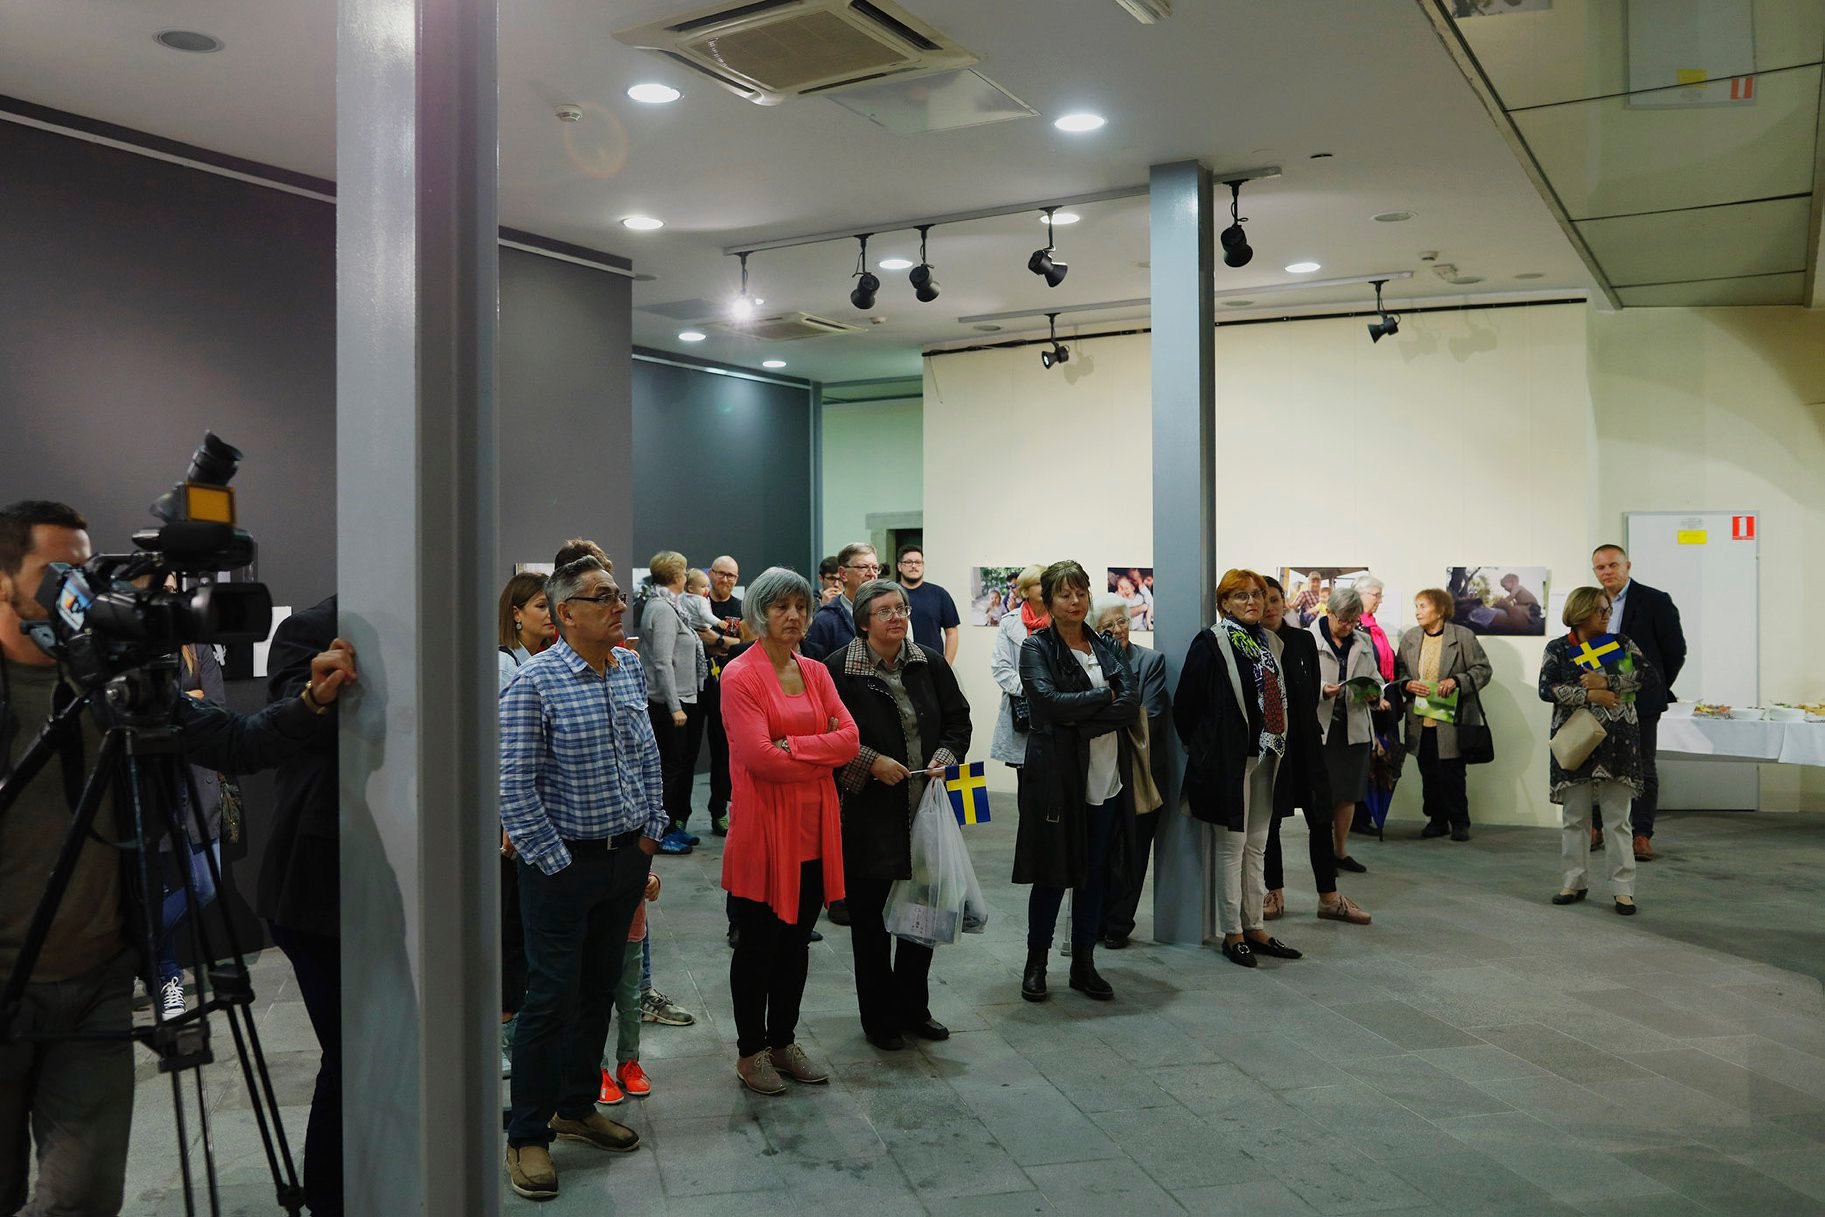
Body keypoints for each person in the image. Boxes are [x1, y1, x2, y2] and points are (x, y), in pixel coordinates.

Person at [1, 500, 357, 1217]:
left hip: (98, 983)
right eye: (54, 573)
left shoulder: (117, 682)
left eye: (84, 572)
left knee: (83, 1197)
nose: (74, 592)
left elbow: (236, 742)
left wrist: (312, 702)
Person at [499, 555, 667, 1201]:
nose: (619, 605)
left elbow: (647, 756)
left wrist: (650, 833)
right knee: (550, 998)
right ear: (566, 612)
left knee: (598, 988)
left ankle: (575, 1106)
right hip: (562, 867)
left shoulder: (626, 668)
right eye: (603, 597)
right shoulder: (533, 684)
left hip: (625, 858)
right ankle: (527, 1134)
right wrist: (556, 862)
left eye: (618, 594)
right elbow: (513, 786)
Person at [719, 567, 858, 1094]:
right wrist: (818, 753)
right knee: (758, 946)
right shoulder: (740, 675)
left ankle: (782, 1041)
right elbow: (759, 758)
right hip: (763, 829)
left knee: (796, 944)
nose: (794, 616)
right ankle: (750, 1050)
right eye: (781, 607)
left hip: (814, 828)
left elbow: (850, 740)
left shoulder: (816, 671)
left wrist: (793, 747)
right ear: (760, 613)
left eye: (801, 606)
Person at [826, 578, 971, 1050]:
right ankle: (878, 1018)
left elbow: (958, 719)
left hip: (924, 811)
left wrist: (946, 756)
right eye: (885, 610)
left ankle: (914, 1008)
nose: (897, 617)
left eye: (902, 609)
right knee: (870, 925)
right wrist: (870, 762)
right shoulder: (837, 670)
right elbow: (825, 735)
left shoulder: (928, 661)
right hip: (868, 815)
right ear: (864, 621)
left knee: (921, 917)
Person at [1014, 560, 1138, 1003]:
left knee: (1095, 873)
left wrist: (1082, 719)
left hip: (1105, 773)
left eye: (1081, 593)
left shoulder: (1104, 644)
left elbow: (1131, 701)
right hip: (1058, 775)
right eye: (1064, 595)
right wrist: (1104, 697)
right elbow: (1047, 703)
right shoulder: (1036, 647)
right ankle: (1036, 963)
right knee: (1052, 874)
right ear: (1048, 602)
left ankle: (1083, 963)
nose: (1075, 602)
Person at [1175, 569, 1304, 968]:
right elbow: (1186, 705)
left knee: (1257, 845)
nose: (1252, 602)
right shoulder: (1212, 642)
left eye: (1257, 595)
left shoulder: (1271, 642)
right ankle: (1233, 933)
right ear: (1224, 603)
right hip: (1229, 761)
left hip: (1268, 755)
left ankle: (1255, 927)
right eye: (1241, 595)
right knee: (1232, 847)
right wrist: (1205, 748)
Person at [1260, 578, 1371, 926]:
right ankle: (1273, 892)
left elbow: (1308, 694)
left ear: (1284, 601)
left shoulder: (1301, 640)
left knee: (1320, 818)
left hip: (1307, 742)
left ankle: (1329, 897)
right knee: (1270, 822)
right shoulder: (1251, 643)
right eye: (1263, 600)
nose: (1270, 606)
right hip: (1270, 747)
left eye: (1275, 599)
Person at [1541, 586, 1648, 915]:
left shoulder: (1619, 644)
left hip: (1618, 742)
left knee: (1618, 820)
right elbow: (1547, 688)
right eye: (1600, 610)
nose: (1606, 615)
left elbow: (1646, 677)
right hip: (1576, 740)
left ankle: (1623, 889)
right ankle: (1573, 881)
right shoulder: (1559, 648)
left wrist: (1607, 684)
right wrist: (1587, 695)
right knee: (1575, 818)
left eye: (1608, 609)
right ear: (1581, 612)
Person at [496, 572, 557, 1077]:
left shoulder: (536, 661)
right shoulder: (505, 664)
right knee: (508, 926)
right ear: (516, 614)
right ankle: (501, 1029)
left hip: (528, 816)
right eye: (540, 606)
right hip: (508, 820)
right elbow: (503, 749)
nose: (550, 614)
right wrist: (508, 818)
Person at [1591, 544, 1685, 861]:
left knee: (1642, 767)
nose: (1607, 572)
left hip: (1642, 698)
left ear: (1627, 566)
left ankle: (1641, 834)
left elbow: (1675, 651)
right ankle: (1595, 827)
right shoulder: (1591, 602)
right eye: (1600, 567)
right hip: (1600, 697)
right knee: (1597, 764)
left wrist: (1654, 685)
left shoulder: (1655, 601)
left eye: (1613, 565)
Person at [151, 640, 227, 1020]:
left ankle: (136, 944)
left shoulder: (199, 649)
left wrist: (171, 703)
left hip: (199, 783)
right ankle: (169, 979)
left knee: (206, 886)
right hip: (155, 788)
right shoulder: (140, 648)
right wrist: (189, 698)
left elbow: (217, 708)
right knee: (164, 888)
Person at [1088, 593, 1169, 949]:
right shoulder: (1090, 665)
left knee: (1134, 851)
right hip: (1099, 769)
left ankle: (1119, 923)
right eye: (1108, 626)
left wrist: (1099, 714)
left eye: (1122, 621)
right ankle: (1096, 920)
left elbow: (1149, 715)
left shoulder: (1150, 661)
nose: (1118, 629)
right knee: (1101, 849)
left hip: (1138, 771)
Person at [1399, 588, 1493, 842]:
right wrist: (1407, 684)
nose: (1417, 612)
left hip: (1452, 719)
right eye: (1416, 606)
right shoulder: (1410, 638)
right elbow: (1400, 671)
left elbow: (1483, 669)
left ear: (1440, 610)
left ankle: (1459, 822)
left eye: (1423, 606)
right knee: (1428, 773)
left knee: (1452, 774)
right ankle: (1436, 821)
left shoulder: (1462, 636)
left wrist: (1457, 681)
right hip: (1421, 720)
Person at [1312, 586, 1384, 876]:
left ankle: (1340, 851)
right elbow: (1295, 681)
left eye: (1354, 621)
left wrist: (1375, 694)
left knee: (1348, 794)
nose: (1348, 626)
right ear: (1329, 612)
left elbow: (1376, 678)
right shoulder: (1308, 639)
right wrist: (1321, 690)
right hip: (1322, 728)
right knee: (1322, 796)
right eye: (1343, 619)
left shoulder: (1363, 641)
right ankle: (1322, 854)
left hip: (1354, 728)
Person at [639, 550, 706, 856]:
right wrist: (675, 706)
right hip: (670, 702)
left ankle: (672, 826)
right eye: (684, 570)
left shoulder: (669, 605)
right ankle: (661, 833)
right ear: (677, 575)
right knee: (669, 769)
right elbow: (662, 662)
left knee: (678, 766)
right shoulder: (663, 610)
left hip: (680, 697)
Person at [596, 870, 662, 1105]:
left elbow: (642, 863)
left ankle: (628, 1062)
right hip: (597, 934)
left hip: (632, 932)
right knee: (595, 1005)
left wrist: (653, 880)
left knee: (631, 1003)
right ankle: (596, 1069)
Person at [698, 556, 744, 836]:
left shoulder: (740, 608)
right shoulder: (698, 603)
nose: (725, 579)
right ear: (711, 573)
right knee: (686, 754)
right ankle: (677, 818)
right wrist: (728, 644)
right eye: (721, 573)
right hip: (695, 685)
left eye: (731, 575)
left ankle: (719, 812)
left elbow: (745, 643)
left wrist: (716, 640)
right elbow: (692, 637)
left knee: (723, 752)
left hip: (727, 689)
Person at [989, 565, 1046, 776]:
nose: (1044, 588)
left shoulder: (1061, 620)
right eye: (1038, 583)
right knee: (1027, 778)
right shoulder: (1009, 622)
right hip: (1023, 707)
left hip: (1056, 708)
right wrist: (1032, 689)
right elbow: (1000, 667)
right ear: (1025, 590)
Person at [805, 542, 878, 655]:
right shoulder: (825, 620)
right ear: (843, 574)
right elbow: (814, 662)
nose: (872, 574)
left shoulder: (887, 613)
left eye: (875, 568)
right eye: (863, 567)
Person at [894, 544, 961, 663]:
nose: (914, 566)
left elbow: (952, 632)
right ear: (899, 566)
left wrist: (946, 665)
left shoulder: (939, 594)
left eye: (918, 562)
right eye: (908, 562)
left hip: (931, 664)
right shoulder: (890, 594)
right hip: (896, 663)